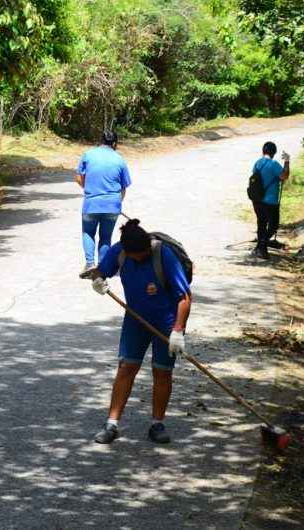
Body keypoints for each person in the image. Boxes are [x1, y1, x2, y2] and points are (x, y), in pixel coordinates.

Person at [90, 219, 191, 444]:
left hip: (167, 323)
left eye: (145, 253)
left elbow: (184, 297)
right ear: (128, 251)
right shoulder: (120, 252)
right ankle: (112, 424)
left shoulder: (163, 255)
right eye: (139, 255)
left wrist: (178, 330)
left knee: (162, 372)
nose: (143, 257)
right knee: (126, 367)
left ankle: (157, 424)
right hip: (135, 320)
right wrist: (97, 281)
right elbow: (100, 271)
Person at [76, 130, 131, 278]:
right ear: (115, 143)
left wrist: (90, 190)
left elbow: (79, 178)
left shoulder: (88, 155)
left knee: (88, 232)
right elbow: (124, 187)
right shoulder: (119, 159)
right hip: (112, 205)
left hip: (91, 203)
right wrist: (117, 203)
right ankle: (102, 267)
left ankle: (89, 264)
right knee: (106, 236)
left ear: (100, 141)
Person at [251, 142, 290, 259]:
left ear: (263, 151)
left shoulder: (257, 163)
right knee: (273, 226)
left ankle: (260, 248)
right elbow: (284, 176)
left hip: (257, 200)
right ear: (274, 152)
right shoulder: (273, 164)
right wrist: (287, 161)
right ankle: (261, 246)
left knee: (261, 223)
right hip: (270, 201)